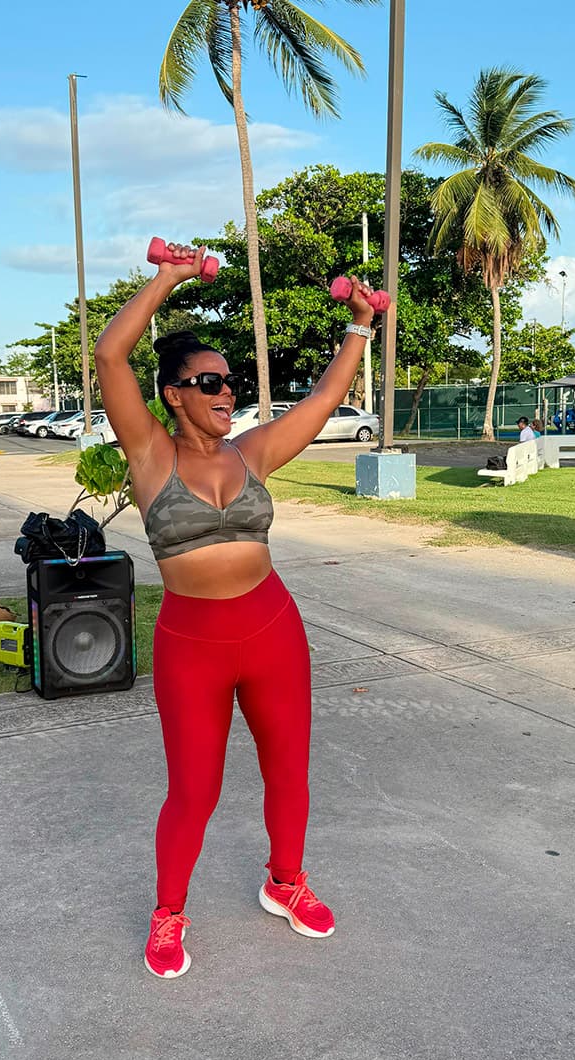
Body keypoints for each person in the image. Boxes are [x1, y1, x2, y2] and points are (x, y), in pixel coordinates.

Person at [94, 240, 381, 979]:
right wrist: (167, 280)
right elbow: (109, 356)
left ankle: (286, 882)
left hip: (270, 627)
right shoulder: (151, 455)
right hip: (192, 643)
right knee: (194, 790)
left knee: (289, 768)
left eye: (233, 381)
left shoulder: (251, 452)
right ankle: (169, 915)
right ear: (175, 394)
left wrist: (359, 327)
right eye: (210, 380)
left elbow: (320, 402)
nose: (227, 392)